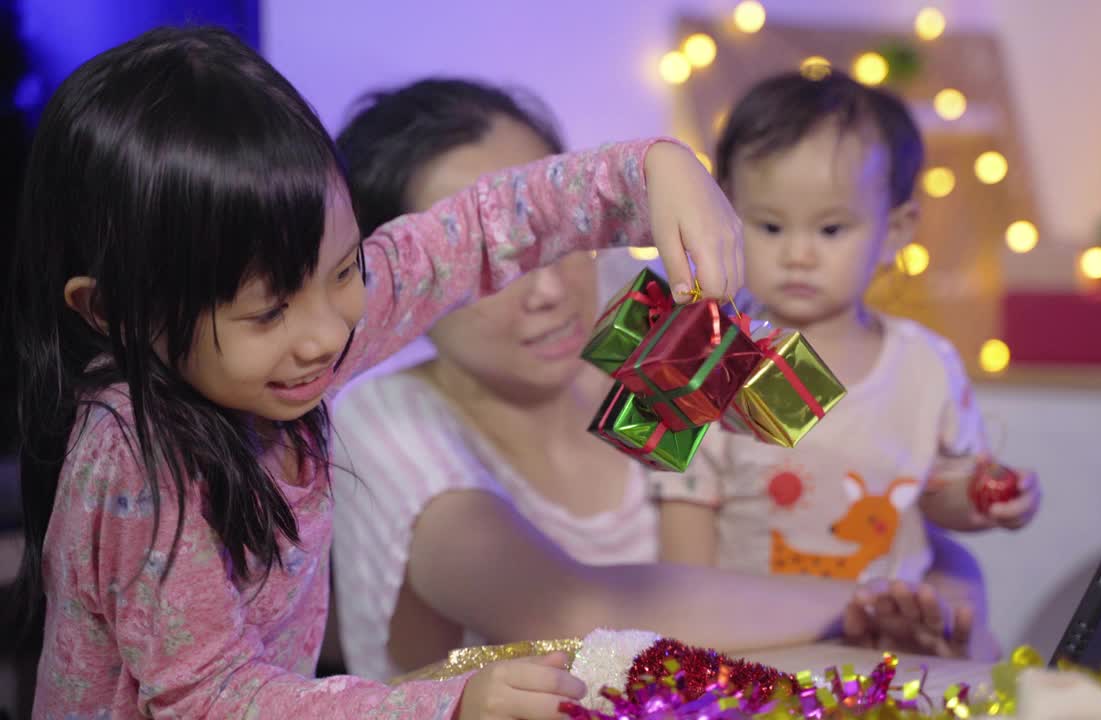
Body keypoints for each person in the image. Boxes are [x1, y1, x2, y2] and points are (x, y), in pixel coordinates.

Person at [8, 27, 744, 718]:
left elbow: (481, 228)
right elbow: (211, 697)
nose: (329, 335)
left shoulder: (303, 333)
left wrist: (653, 169)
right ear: (116, 313)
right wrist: (445, 703)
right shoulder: (135, 457)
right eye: (266, 314)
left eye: (346, 269)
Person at [329, 77, 989, 681]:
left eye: (554, 239)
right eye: (491, 267)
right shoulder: (386, 417)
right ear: (406, 287)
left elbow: (846, 484)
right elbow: (568, 609)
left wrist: (950, 578)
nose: (550, 290)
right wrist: (875, 600)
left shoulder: (635, 317)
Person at [653, 71, 1042, 660]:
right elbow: (684, 536)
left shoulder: (926, 365)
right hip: (757, 653)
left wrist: (993, 502)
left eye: (832, 228)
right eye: (769, 226)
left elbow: (942, 491)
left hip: (899, 655)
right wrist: (688, 650)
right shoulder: (706, 352)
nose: (798, 254)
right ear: (725, 216)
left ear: (895, 232)